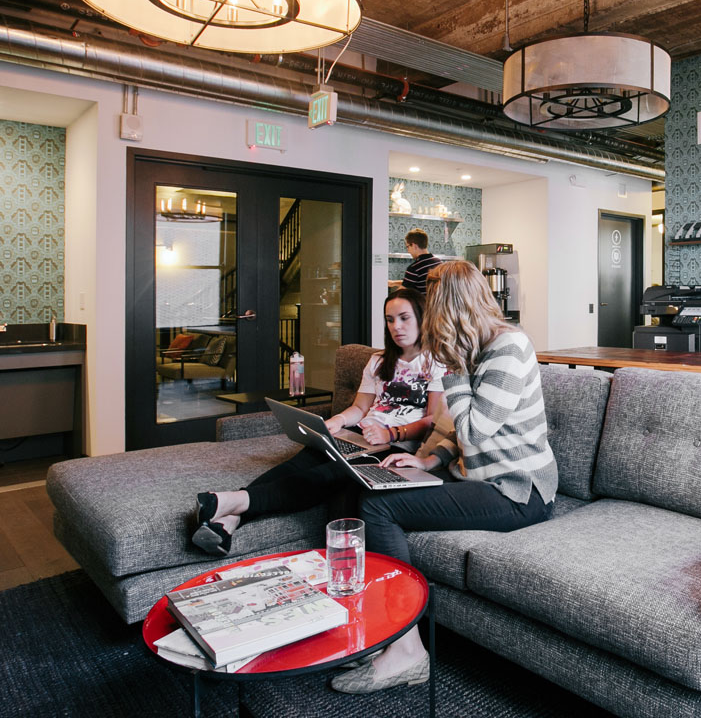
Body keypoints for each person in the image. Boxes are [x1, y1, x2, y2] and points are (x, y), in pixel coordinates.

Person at [329, 260, 557, 694]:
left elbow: (473, 431)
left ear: (451, 307)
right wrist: (429, 460)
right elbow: (459, 431)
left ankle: (407, 649)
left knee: (379, 509)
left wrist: (449, 366)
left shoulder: (508, 348)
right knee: (357, 486)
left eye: (432, 307)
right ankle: (365, 623)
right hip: (474, 477)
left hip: (517, 490)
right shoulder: (477, 347)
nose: (428, 318)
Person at [189, 287, 445, 557]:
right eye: (390, 320)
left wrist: (391, 433)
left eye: (404, 318)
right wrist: (337, 420)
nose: (396, 327)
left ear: (422, 319)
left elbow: (432, 419)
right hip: (360, 434)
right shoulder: (378, 361)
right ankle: (229, 519)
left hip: (394, 447)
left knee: (324, 476)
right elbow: (360, 407)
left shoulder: (437, 362)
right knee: (298, 463)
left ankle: (228, 503)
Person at [400, 228, 440, 295]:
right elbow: (418, 282)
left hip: (423, 302)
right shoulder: (438, 263)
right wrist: (393, 283)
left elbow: (402, 292)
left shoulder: (414, 268)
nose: (408, 251)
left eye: (407, 247)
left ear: (414, 246)